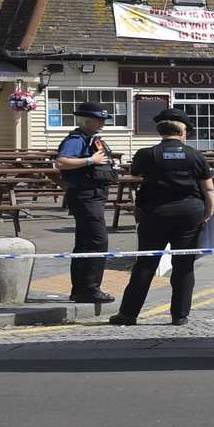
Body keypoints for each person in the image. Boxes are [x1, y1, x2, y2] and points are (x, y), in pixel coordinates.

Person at [112, 110, 214, 325]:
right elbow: (208, 189)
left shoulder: (146, 154)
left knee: (146, 264)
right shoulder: (196, 155)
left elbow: (135, 175)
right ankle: (180, 315)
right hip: (189, 213)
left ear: (161, 131)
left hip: (155, 213)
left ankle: (128, 314)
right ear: (182, 131)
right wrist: (207, 212)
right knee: (184, 265)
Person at [53, 102, 119, 304]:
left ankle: (81, 289)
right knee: (97, 241)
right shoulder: (76, 139)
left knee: (86, 243)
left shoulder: (91, 139)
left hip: (94, 194)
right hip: (85, 195)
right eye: (99, 120)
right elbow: (61, 162)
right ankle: (89, 289)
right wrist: (90, 161)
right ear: (87, 121)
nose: (103, 123)